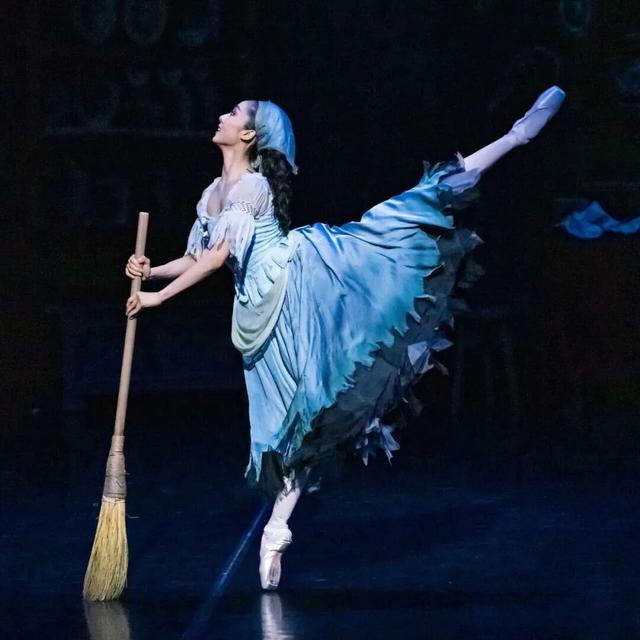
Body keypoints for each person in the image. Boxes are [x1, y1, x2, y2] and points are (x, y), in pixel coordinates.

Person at [125, 87, 566, 590]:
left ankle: (513, 138)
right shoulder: (213, 192)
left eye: (233, 113)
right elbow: (195, 254)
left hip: (299, 290)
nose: (222, 116)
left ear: (247, 135)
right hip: (256, 312)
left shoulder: (252, 187)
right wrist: (151, 271)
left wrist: (159, 298)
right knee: (280, 427)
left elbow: (216, 257)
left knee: (398, 219)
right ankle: (279, 522)